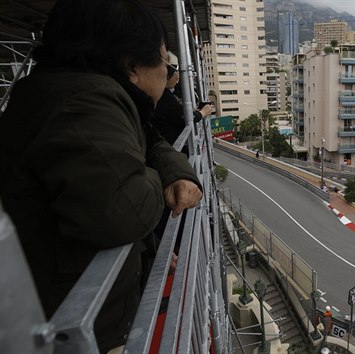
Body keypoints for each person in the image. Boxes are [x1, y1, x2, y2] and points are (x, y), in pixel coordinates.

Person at [0, 0, 203, 352]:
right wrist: (158, 176)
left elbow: (149, 141)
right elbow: (123, 209)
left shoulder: (79, 93)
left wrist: (175, 170)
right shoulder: (84, 103)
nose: (168, 73)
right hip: (73, 327)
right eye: (166, 62)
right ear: (132, 66)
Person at [152, 51, 213, 146]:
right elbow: (185, 118)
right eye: (176, 72)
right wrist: (203, 113)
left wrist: (191, 111)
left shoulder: (163, 94)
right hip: (169, 145)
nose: (178, 78)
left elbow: (175, 113)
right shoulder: (164, 96)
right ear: (168, 74)